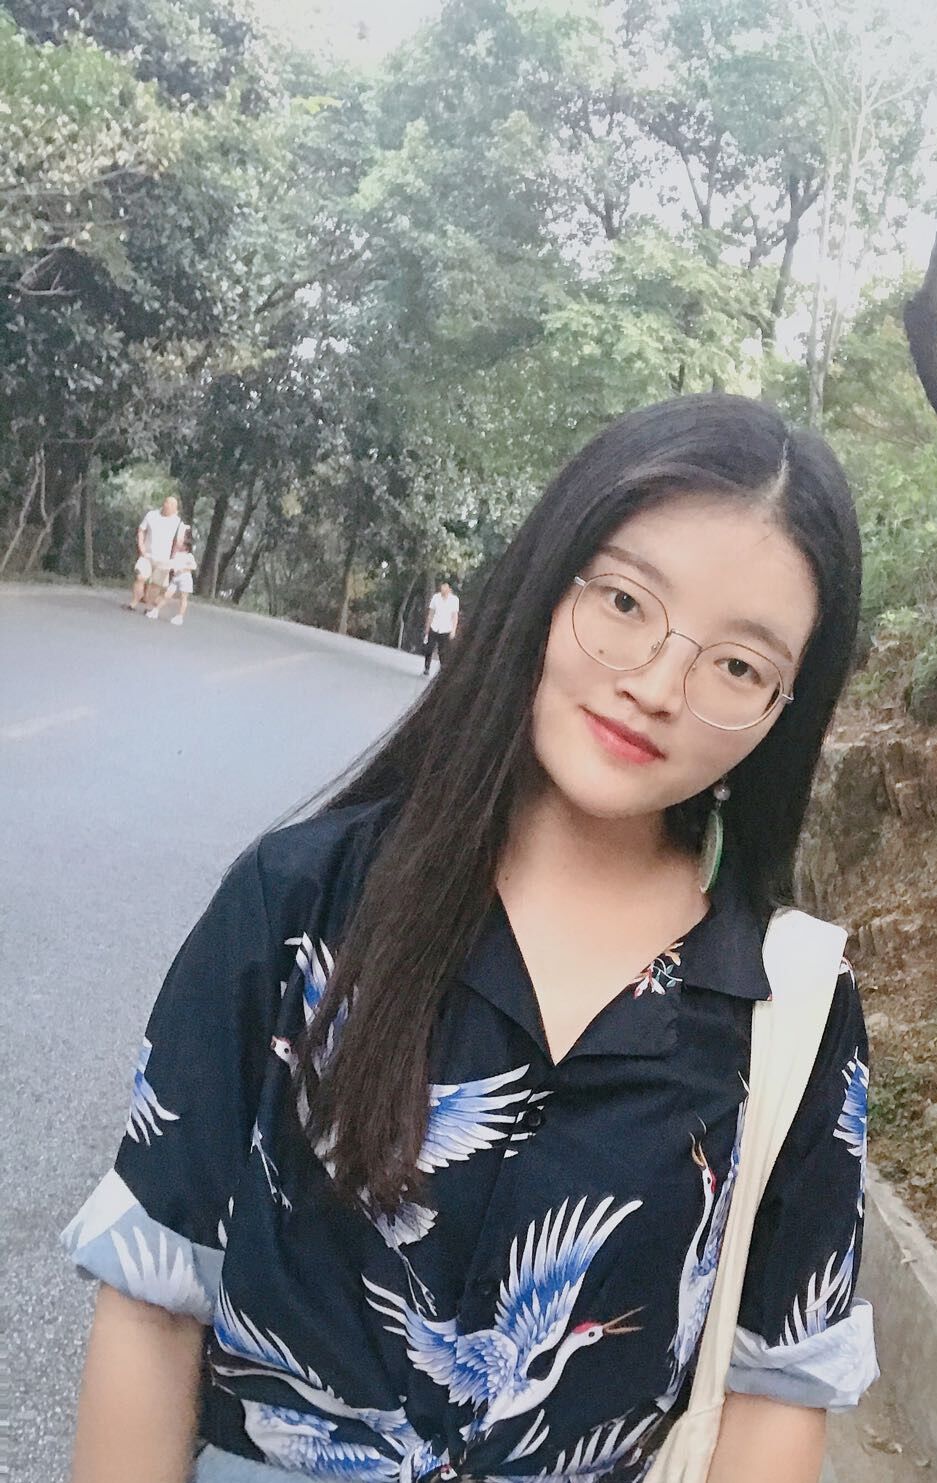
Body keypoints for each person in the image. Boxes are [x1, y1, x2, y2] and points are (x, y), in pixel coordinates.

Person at [62, 394, 876, 1483]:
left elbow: (772, 1400)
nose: (655, 686)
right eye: (624, 602)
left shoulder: (788, 1013)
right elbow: (155, 1304)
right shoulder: (303, 904)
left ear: (782, 710)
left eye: (737, 665)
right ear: (547, 581)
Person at [125, 496, 186, 612]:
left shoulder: (178, 522)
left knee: (156, 584)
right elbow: (141, 530)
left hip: (164, 559)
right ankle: (134, 602)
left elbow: (179, 543)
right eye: (167, 503)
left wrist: (174, 558)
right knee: (140, 577)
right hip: (147, 554)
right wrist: (141, 546)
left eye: (172, 505)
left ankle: (148, 607)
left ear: (175, 509)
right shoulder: (152, 515)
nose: (168, 506)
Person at [148, 529, 198, 627]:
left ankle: (180, 617)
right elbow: (171, 564)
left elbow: (193, 566)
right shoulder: (177, 555)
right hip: (176, 578)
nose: (180, 545)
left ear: (186, 547)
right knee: (167, 595)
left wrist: (183, 569)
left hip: (185, 579)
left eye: (182, 544)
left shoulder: (189, 556)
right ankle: (155, 611)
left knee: (183, 598)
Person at [423, 579, 460, 675]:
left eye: (445, 586)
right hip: (434, 626)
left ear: (450, 589)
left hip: (446, 628)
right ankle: (427, 667)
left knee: (442, 651)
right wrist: (427, 627)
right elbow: (431, 613)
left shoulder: (454, 600)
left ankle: (443, 669)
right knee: (429, 648)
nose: (443, 588)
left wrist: (453, 630)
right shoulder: (436, 597)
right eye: (442, 586)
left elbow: (454, 616)